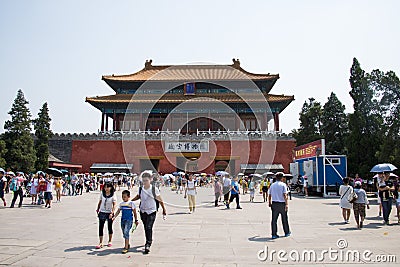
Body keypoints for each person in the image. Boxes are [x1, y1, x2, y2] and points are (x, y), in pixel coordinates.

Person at [131, 171, 167, 254]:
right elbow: (138, 196)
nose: (145, 182)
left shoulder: (154, 189)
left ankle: (148, 244)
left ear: (150, 180)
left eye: (146, 180)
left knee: (148, 226)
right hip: (143, 211)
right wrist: (130, 201)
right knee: (145, 227)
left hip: (152, 211)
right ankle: (149, 239)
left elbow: (160, 199)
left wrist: (164, 209)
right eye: (143, 181)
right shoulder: (141, 188)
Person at [268, 172, 290, 239]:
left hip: (274, 203)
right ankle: (286, 232)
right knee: (284, 218)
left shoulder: (272, 185)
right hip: (282, 203)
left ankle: (274, 234)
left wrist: (269, 202)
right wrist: (286, 204)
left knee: (274, 220)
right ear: (282, 178)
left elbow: (270, 195)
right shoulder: (283, 185)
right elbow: (285, 195)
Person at [96, 183, 117, 248]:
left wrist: (112, 212)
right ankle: (100, 242)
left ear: (111, 188)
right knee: (101, 227)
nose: (106, 189)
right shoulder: (102, 194)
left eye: (108, 187)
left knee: (109, 227)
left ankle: (110, 241)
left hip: (109, 212)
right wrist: (98, 209)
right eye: (105, 187)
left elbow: (114, 204)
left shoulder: (113, 195)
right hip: (102, 212)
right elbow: (100, 202)